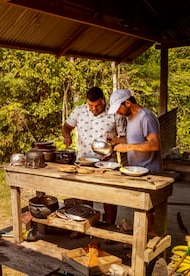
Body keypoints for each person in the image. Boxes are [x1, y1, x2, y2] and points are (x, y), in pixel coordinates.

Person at [62, 87, 126, 225]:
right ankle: (86, 224)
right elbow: (66, 126)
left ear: (103, 100)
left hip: (108, 163)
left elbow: (125, 138)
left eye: (97, 105)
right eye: (90, 105)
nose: (93, 109)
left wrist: (113, 146)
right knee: (84, 195)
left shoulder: (115, 113)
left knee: (108, 197)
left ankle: (109, 226)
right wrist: (67, 136)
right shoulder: (79, 111)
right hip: (84, 162)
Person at [108, 89, 162, 235]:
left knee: (147, 209)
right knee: (141, 208)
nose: (118, 112)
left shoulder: (146, 117)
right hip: (137, 170)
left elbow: (154, 144)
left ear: (127, 102)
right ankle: (141, 237)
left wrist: (128, 147)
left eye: (119, 108)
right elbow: (135, 140)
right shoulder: (130, 118)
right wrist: (118, 141)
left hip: (149, 171)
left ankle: (147, 241)